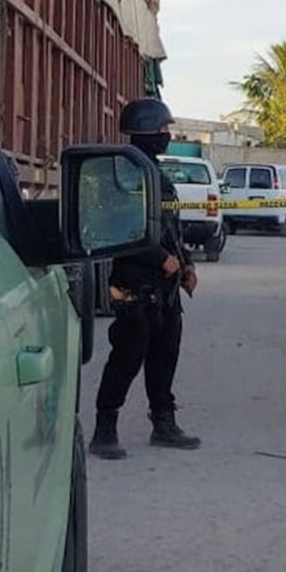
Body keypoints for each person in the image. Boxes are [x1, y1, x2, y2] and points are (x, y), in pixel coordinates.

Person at [88, 97, 201, 460]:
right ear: (147, 130)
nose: (167, 136)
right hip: (134, 285)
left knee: (165, 355)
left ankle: (163, 423)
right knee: (127, 357)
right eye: (163, 130)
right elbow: (117, 227)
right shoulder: (124, 172)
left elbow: (170, 227)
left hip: (166, 288)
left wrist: (186, 265)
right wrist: (159, 258)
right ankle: (105, 427)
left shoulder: (155, 173)